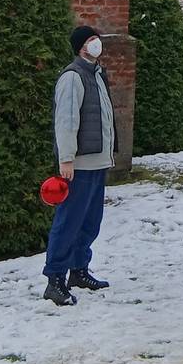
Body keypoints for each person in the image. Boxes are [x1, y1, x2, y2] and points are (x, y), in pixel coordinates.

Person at [42, 24, 117, 307]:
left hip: (97, 160)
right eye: (91, 40)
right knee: (69, 221)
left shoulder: (97, 74)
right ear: (81, 47)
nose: (97, 42)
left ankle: (79, 270)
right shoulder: (72, 77)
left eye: (97, 37)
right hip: (80, 163)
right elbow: (67, 120)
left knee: (89, 221)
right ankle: (55, 279)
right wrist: (66, 159)